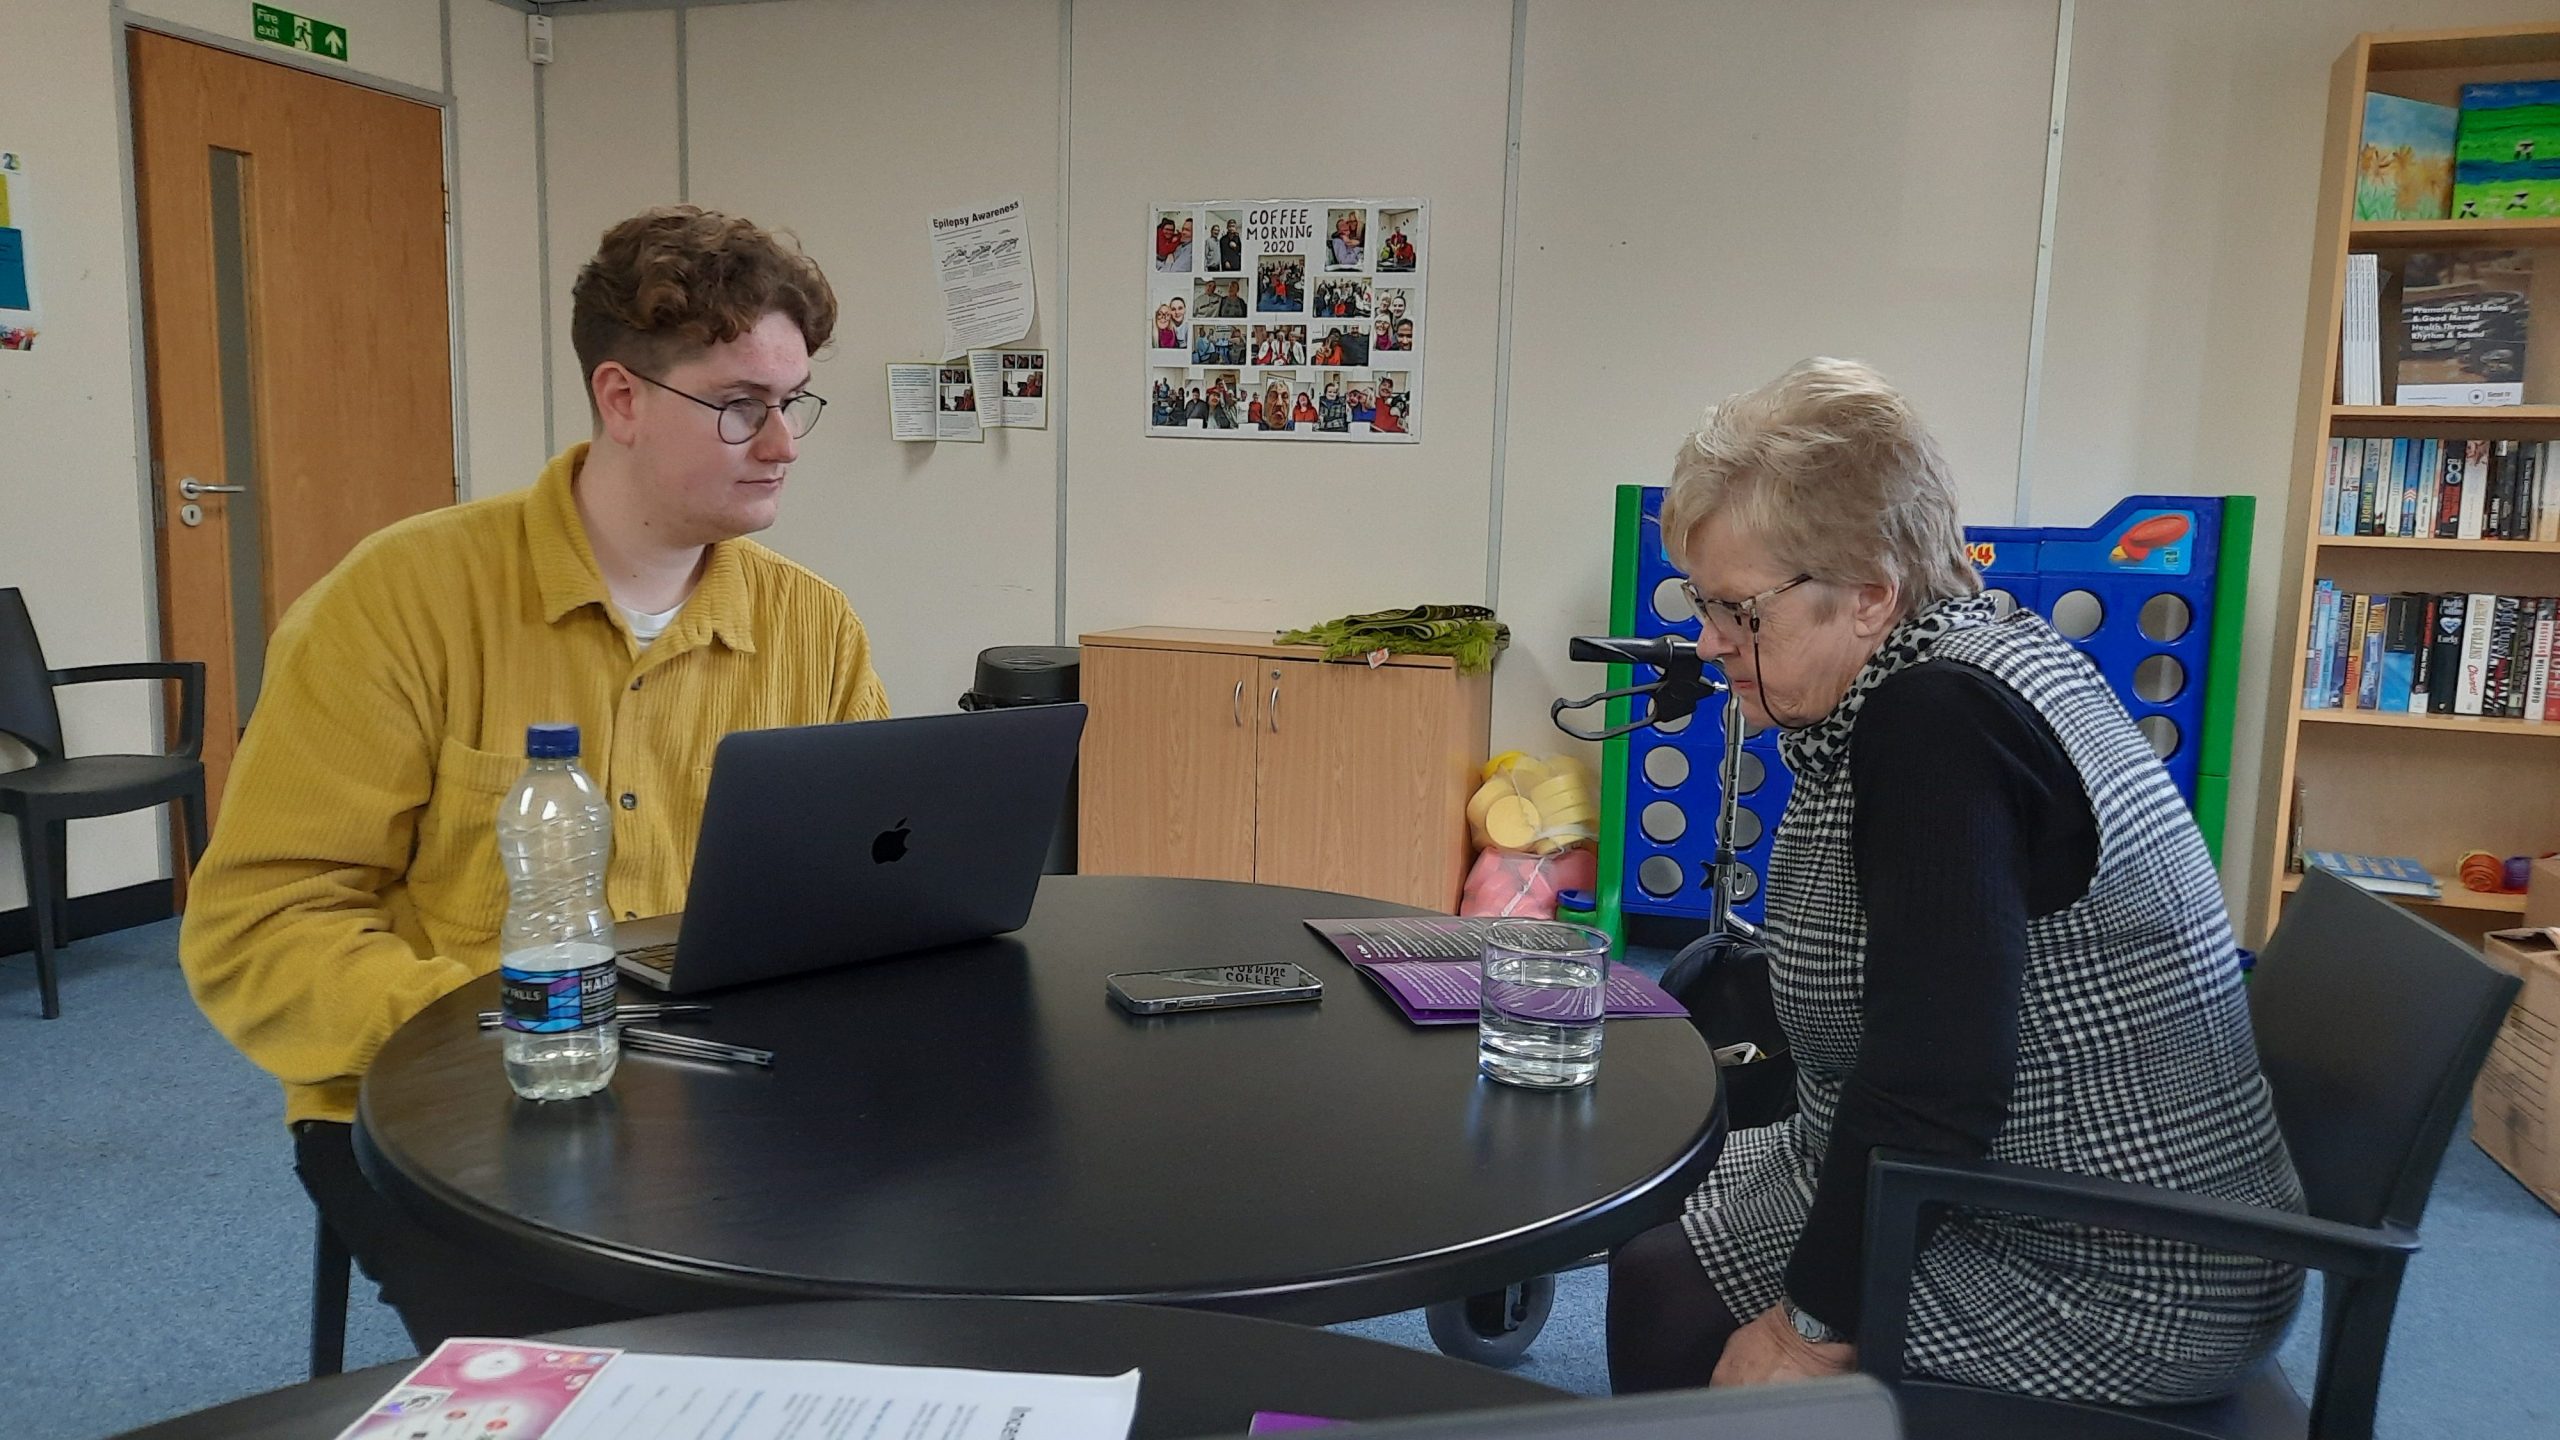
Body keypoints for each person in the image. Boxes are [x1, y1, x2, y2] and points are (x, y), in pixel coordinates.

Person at [178, 205, 890, 1350]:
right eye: (741, 406)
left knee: (911, 1291)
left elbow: (865, 901)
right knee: (609, 1366)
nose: (782, 444)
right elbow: (257, 929)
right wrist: (515, 1032)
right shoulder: (398, 603)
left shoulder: (812, 626)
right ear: (621, 399)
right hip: (448, 1105)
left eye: (793, 401)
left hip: (727, 1095)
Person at [1604, 358, 2302, 1404]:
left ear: (1872, 594)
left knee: (1667, 1293)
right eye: (1702, 605)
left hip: (2123, 1262)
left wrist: (1807, 1332)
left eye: (1737, 612)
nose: (1709, 644)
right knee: (1651, 1205)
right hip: (2023, 1185)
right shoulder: (1968, 654)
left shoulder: (1939, 726)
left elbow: (1932, 1084)